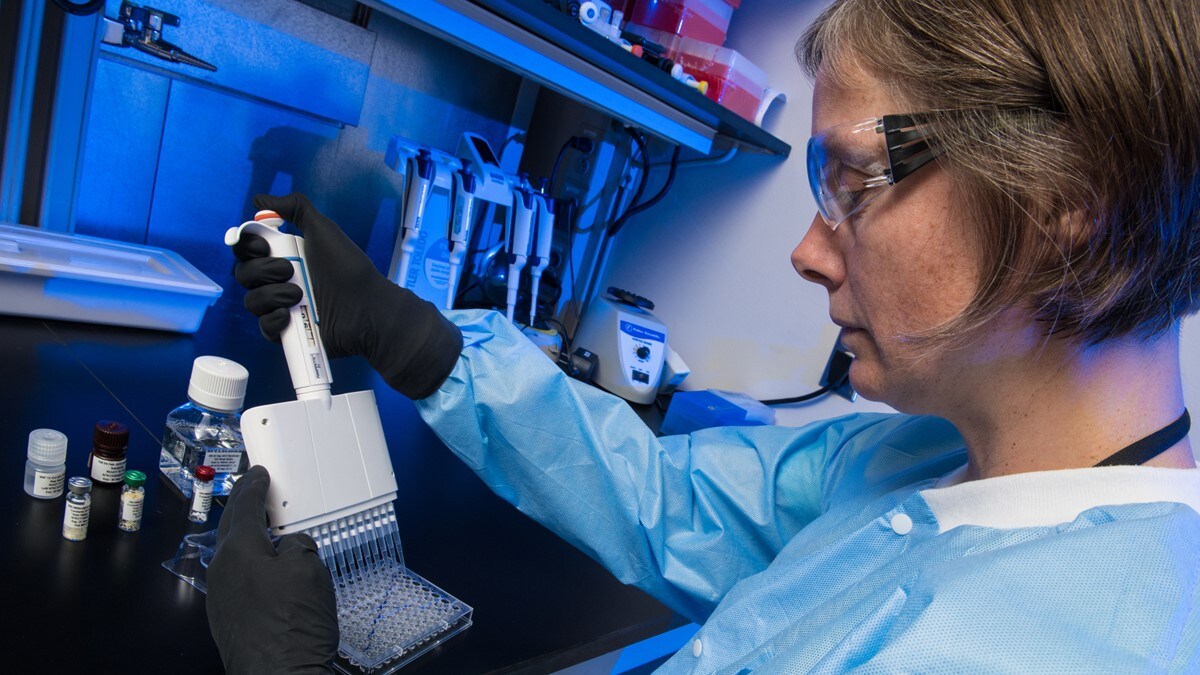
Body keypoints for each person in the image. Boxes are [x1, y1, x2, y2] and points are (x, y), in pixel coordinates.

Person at [207, 0, 1200, 671]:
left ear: (1071, 199)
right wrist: (410, 334)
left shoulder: (1056, 649)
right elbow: (670, 504)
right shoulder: (932, 457)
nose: (810, 252)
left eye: (854, 183)